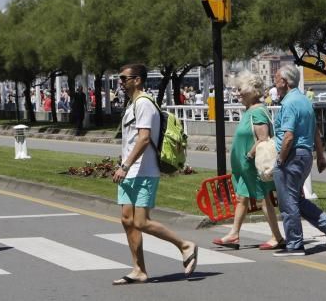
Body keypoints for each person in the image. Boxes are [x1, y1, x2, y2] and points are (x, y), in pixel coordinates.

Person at [112, 64, 198, 284]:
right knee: (127, 220)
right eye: (120, 78)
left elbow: (143, 138)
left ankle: (185, 245)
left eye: (124, 78)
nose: (121, 82)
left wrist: (125, 166)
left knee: (141, 222)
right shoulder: (132, 105)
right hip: (131, 171)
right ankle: (139, 269)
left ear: (138, 79)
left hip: (144, 170)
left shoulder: (144, 104)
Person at [271, 65, 326, 256]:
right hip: (305, 155)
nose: (274, 83)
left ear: (285, 82)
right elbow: (316, 132)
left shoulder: (289, 103)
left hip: (291, 156)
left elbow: (288, 136)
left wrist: (280, 160)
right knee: (296, 199)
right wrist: (319, 155)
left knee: (287, 203)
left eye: (276, 79)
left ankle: (294, 244)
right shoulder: (304, 101)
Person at [213, 71, 285, 251]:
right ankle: (234, 234)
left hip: (253, 165)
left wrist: (250, 154)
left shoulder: (258, 112)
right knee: (242, 198)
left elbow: (263, 138)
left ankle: (277, 236)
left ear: (251, 91)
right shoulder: (250, 111)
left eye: (240, 90)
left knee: (263, 199)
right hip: (245, 166)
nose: (237, 93)